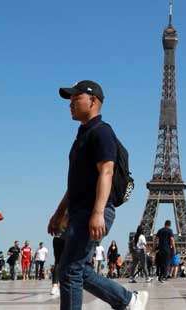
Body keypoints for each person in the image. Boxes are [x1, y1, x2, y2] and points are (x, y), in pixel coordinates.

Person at [47, 80, 147, 310]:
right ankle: (128, 300)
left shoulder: (101, 132)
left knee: (70, 270)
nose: (70, 104)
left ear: (93, 101)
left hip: (93, 210)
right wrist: (59, 213)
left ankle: (127, 301)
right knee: (77, 269)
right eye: (70, 100)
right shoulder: (83, 135)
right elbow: (75, 184)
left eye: (75, 98)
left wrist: (99, 211)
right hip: (80, 210)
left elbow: (107, 171)